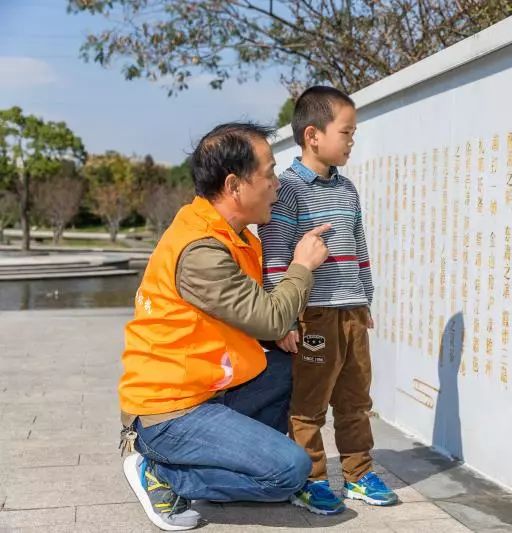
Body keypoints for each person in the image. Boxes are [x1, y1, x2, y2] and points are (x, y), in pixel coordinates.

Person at [118, 122, 331, 531]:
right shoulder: (200, 249)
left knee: (287, 367)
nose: (276, 185)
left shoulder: (233, 235)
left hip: (208, 389)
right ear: (235, 185)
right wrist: (302, 266)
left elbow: (253, 317)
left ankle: (238, 458)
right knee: (288, 472)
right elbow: (271, 314)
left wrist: (276, 331)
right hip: (171, 411)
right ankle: (162, 473)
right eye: (268, 173)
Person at [259, 86, 399, 516]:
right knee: (308, 405)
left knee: (356, 400)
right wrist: (284, 319)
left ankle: (358, 474)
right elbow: (277, 254)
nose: (352, 140)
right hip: (312, 315)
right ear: (313, 135)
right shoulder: (286, 190)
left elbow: (359, 245)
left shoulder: (348, 189)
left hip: (351, 311)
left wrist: (365, 297)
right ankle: (312, 478)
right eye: (347, 132)